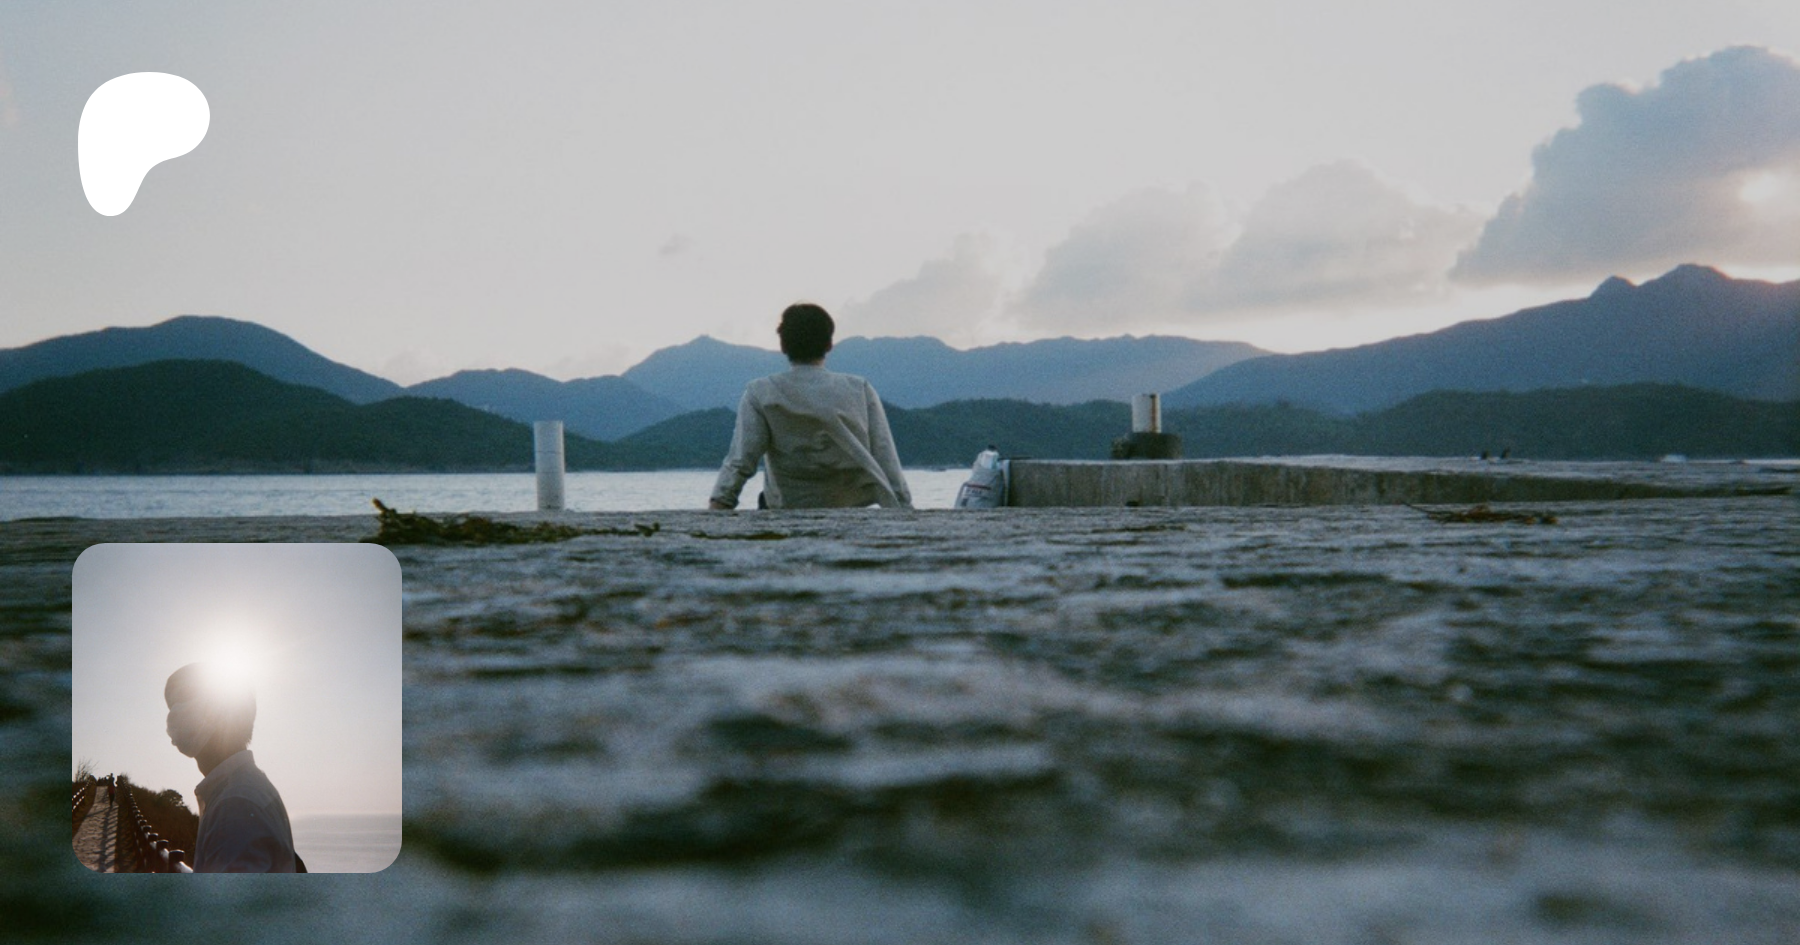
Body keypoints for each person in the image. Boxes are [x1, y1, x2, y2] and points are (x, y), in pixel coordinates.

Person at [710, 303, 913, 510]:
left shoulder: (761, 392)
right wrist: (904, 508)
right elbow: (886, 458)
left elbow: (740, 461)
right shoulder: (859, 389)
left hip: (785, 512)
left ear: (783, 346)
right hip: (852, 513)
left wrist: (718, 506)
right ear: (829, 345)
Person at [164, 662, 300, 872]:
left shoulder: (236, 805)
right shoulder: (245, 788)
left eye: (183, 700)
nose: (174, 714)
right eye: (172, 706)